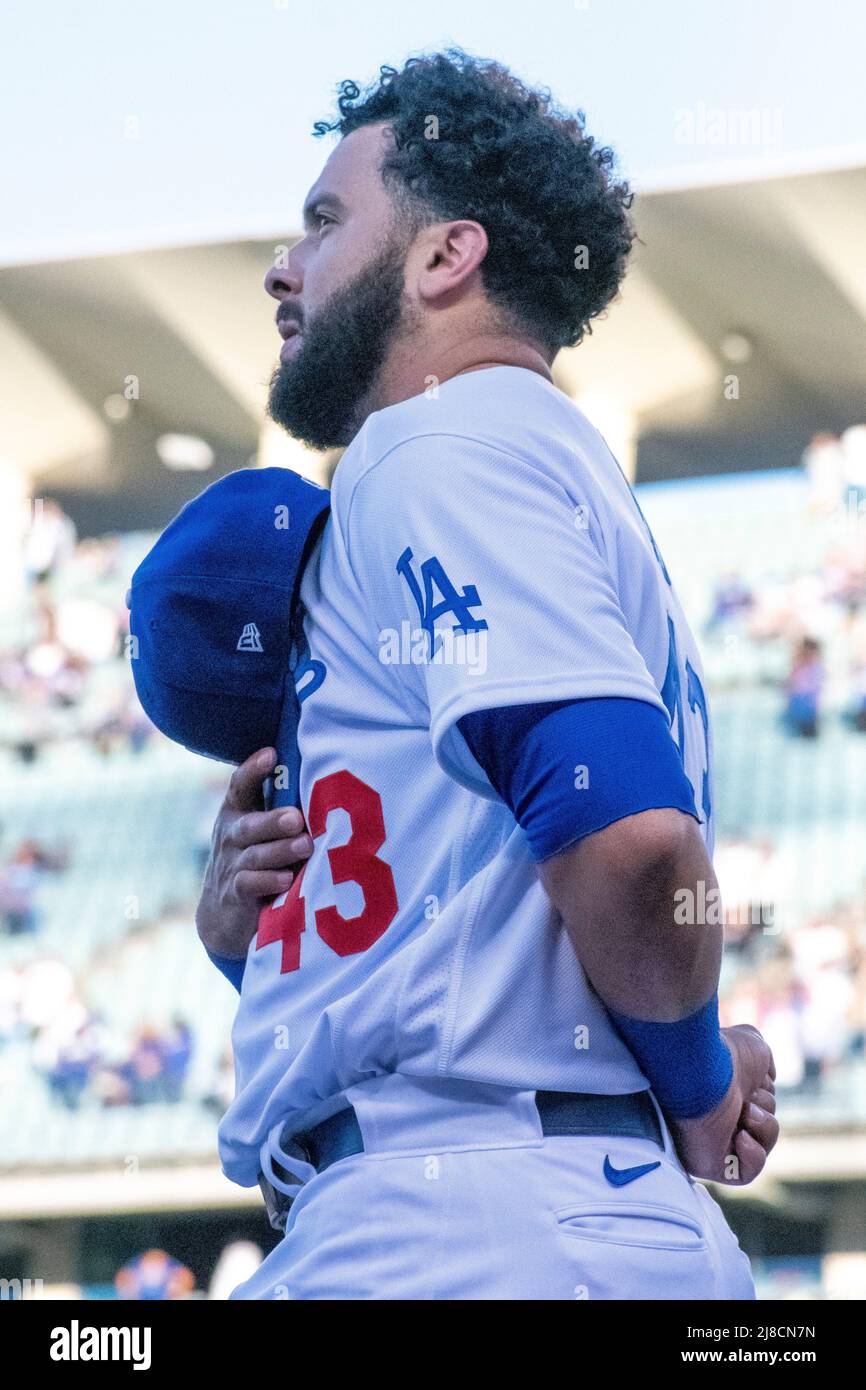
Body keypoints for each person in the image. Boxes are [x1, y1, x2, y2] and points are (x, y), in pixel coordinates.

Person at [194, 51, 777, 1300]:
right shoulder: (529, 467)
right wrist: (253, 933)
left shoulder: (438, 443)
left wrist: (697, 1083)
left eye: (324, 220)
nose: (281, 266)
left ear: (443, 257)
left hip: (470, 1222)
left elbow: (628, 842)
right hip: (524, 1206)